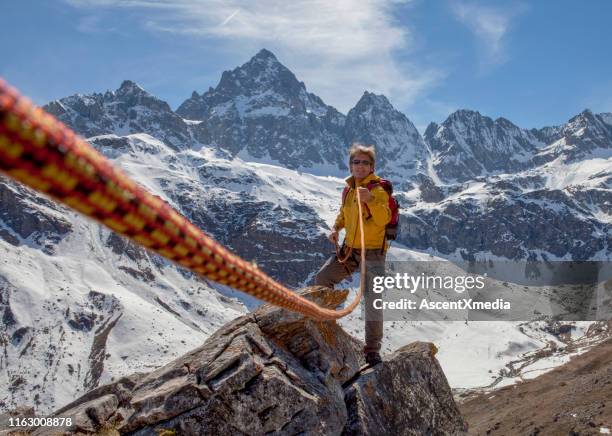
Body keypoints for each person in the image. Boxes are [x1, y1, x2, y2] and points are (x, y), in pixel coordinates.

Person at [314, 143, 391, 365]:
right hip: (350, 249)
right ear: (350, 165)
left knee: (372, 300)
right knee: (323, 278)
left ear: (372, 166)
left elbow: (383, 219)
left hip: (374, 252)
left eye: (365, 162)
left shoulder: (378, 190)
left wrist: (371, 201)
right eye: (356, 162)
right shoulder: (348, 189)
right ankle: (327, 325)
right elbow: (344, 213)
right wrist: (336, 228)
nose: (360, 166)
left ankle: (372, 350)